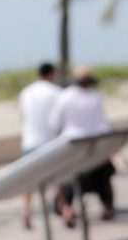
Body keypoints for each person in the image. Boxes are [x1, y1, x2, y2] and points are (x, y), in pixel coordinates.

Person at [48, 64, 116, 226]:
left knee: (68, 180)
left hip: (72, 146)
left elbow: (54, 123)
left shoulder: (64, 97)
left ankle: (66, 210)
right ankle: (106, 208)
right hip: (94, 146)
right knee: (103, 180)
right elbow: (103, 125)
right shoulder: (94, 97)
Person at [16, 61, 63, 229]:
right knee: (56, 179)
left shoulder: (26, 92)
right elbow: (59, 120)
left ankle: (26, 211)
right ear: (51, 74)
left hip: (29, 141)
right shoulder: (56, 92)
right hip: (49, 141)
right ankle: (64, 209)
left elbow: (23, 116)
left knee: (28, 181)